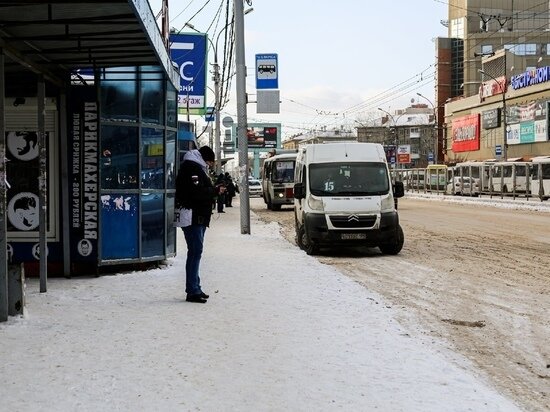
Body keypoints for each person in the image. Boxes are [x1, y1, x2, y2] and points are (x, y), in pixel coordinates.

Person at [175, 145, 216, 304]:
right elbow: (196, 193)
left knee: (196, 252)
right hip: (193, 217)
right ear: (204, 158)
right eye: (210, 162)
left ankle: (195, 287)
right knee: (195, 252)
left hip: (197, 216)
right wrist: (213, 191)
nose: (210, 165)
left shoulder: (196, 167)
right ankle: (192, 290)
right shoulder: (192, 168)